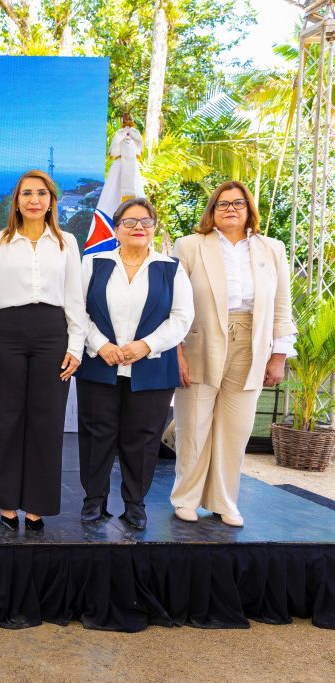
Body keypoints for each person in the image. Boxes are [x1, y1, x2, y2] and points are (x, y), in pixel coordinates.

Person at [170, 180, 296, 527]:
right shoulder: (190, 245)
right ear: (212, 210)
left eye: (237, 203)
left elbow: (282, 305)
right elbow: (174, 303)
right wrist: (177, 352)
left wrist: (279, 355)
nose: (230, 209)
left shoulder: (272, 248)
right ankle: (186, 497)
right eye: (222, 204)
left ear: (249, 209)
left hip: (252, 344)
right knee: (193, 425)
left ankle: (224, 501)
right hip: (200, 342)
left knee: (236, 428)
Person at [75, 198, 193, 530]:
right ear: (116, 228)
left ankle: (135, 504)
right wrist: (100, 345)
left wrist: (146, 346)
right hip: (100, 365)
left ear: (154, 227)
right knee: (98, 435)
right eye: (129, 222)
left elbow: (182, 318)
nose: (138, 227)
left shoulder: (171, 267)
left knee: (141, 439)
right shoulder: (95, 263)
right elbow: (77, 312)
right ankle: (93, 502)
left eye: (145, 221)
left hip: (152, 368)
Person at [0, 169, 86, 532]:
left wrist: (76, 345)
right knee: (5, 419)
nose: (34, 199)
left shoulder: (67, 243)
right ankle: (7, 504)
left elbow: (75, 297)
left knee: (47, 421)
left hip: (51, 335)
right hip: (6, 334)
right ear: (17, 200)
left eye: (41, 193)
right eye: (27, 193)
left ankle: (37, 507)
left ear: (51, 201)